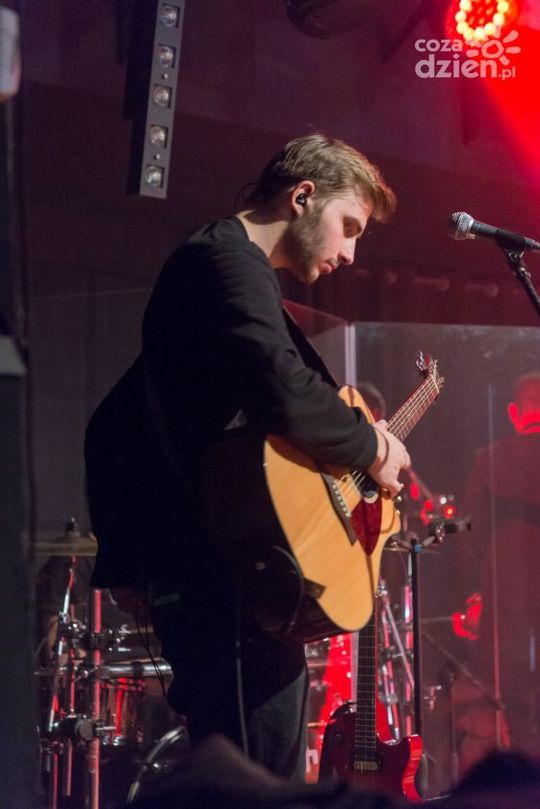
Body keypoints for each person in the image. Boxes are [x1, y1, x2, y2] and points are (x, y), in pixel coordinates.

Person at [86, 133, 411, 780]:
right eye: (349, 226)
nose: (350, 252)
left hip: (239, 571)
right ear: (302, 196)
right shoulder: (222, 262)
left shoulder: (227, 267)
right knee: (255, 776)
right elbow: (280, 387)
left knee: (262, 766)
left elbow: (118, 418)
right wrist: (371, 444)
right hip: (221, 577)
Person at [462, 372, 540, 759]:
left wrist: (473, 593)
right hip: (509, 593)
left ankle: (524, 773)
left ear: (513, 412)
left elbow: (471, 536)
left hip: (506, 595)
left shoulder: (490, 460)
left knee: (512, 691)